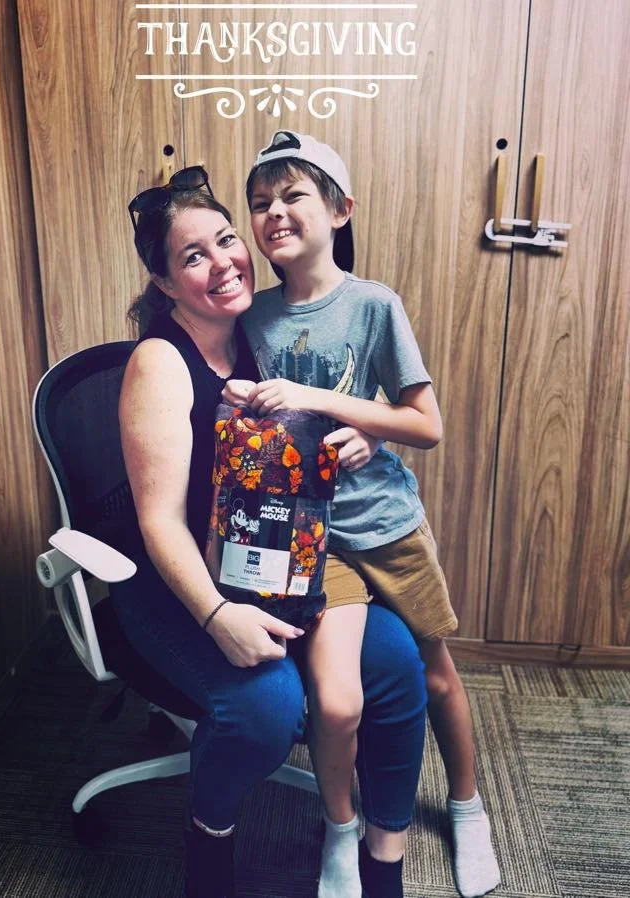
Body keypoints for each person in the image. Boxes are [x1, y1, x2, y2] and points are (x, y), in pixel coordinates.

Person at [111, 167, 428, 898]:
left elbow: (341, 416)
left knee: (395, 664)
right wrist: (217, 616)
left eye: (227, 239)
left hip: (274, 571)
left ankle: (381, 867)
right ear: (163, 283)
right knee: (266, 705)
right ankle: (209, 842)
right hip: (177, 585)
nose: (223, 262)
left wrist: (367, 441)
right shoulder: (161, 362)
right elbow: (159, 522)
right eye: (193, 256)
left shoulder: (261, 337)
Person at [228, 131, 501, 898]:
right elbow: (257, 425)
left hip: (388, 527)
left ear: (340, 210)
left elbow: (427, 423)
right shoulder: (252, 319)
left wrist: (362, 419)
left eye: (292, 196)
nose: (274, 212)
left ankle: (467, 807)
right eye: (260, 203)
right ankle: (340, 831)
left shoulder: (375, 305)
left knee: (439, 675)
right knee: (339, 702)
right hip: (317, 546)